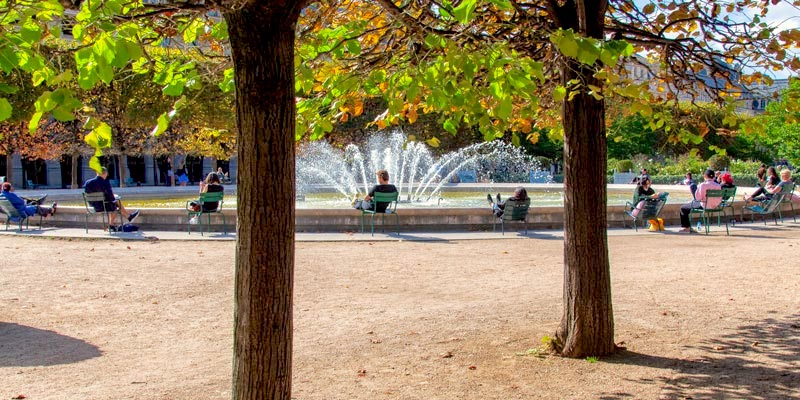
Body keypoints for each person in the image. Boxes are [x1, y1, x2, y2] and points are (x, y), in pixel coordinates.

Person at [84, 167, 140, 231]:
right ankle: (127, 217)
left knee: (114, 202)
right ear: (105, 173)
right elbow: (111, 197)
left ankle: (122, 220)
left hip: (92, 207)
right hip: (103, 207)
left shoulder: (88, 182)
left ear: (97, 173)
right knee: (115, 203)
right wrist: (115, 198)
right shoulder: (105, 183)